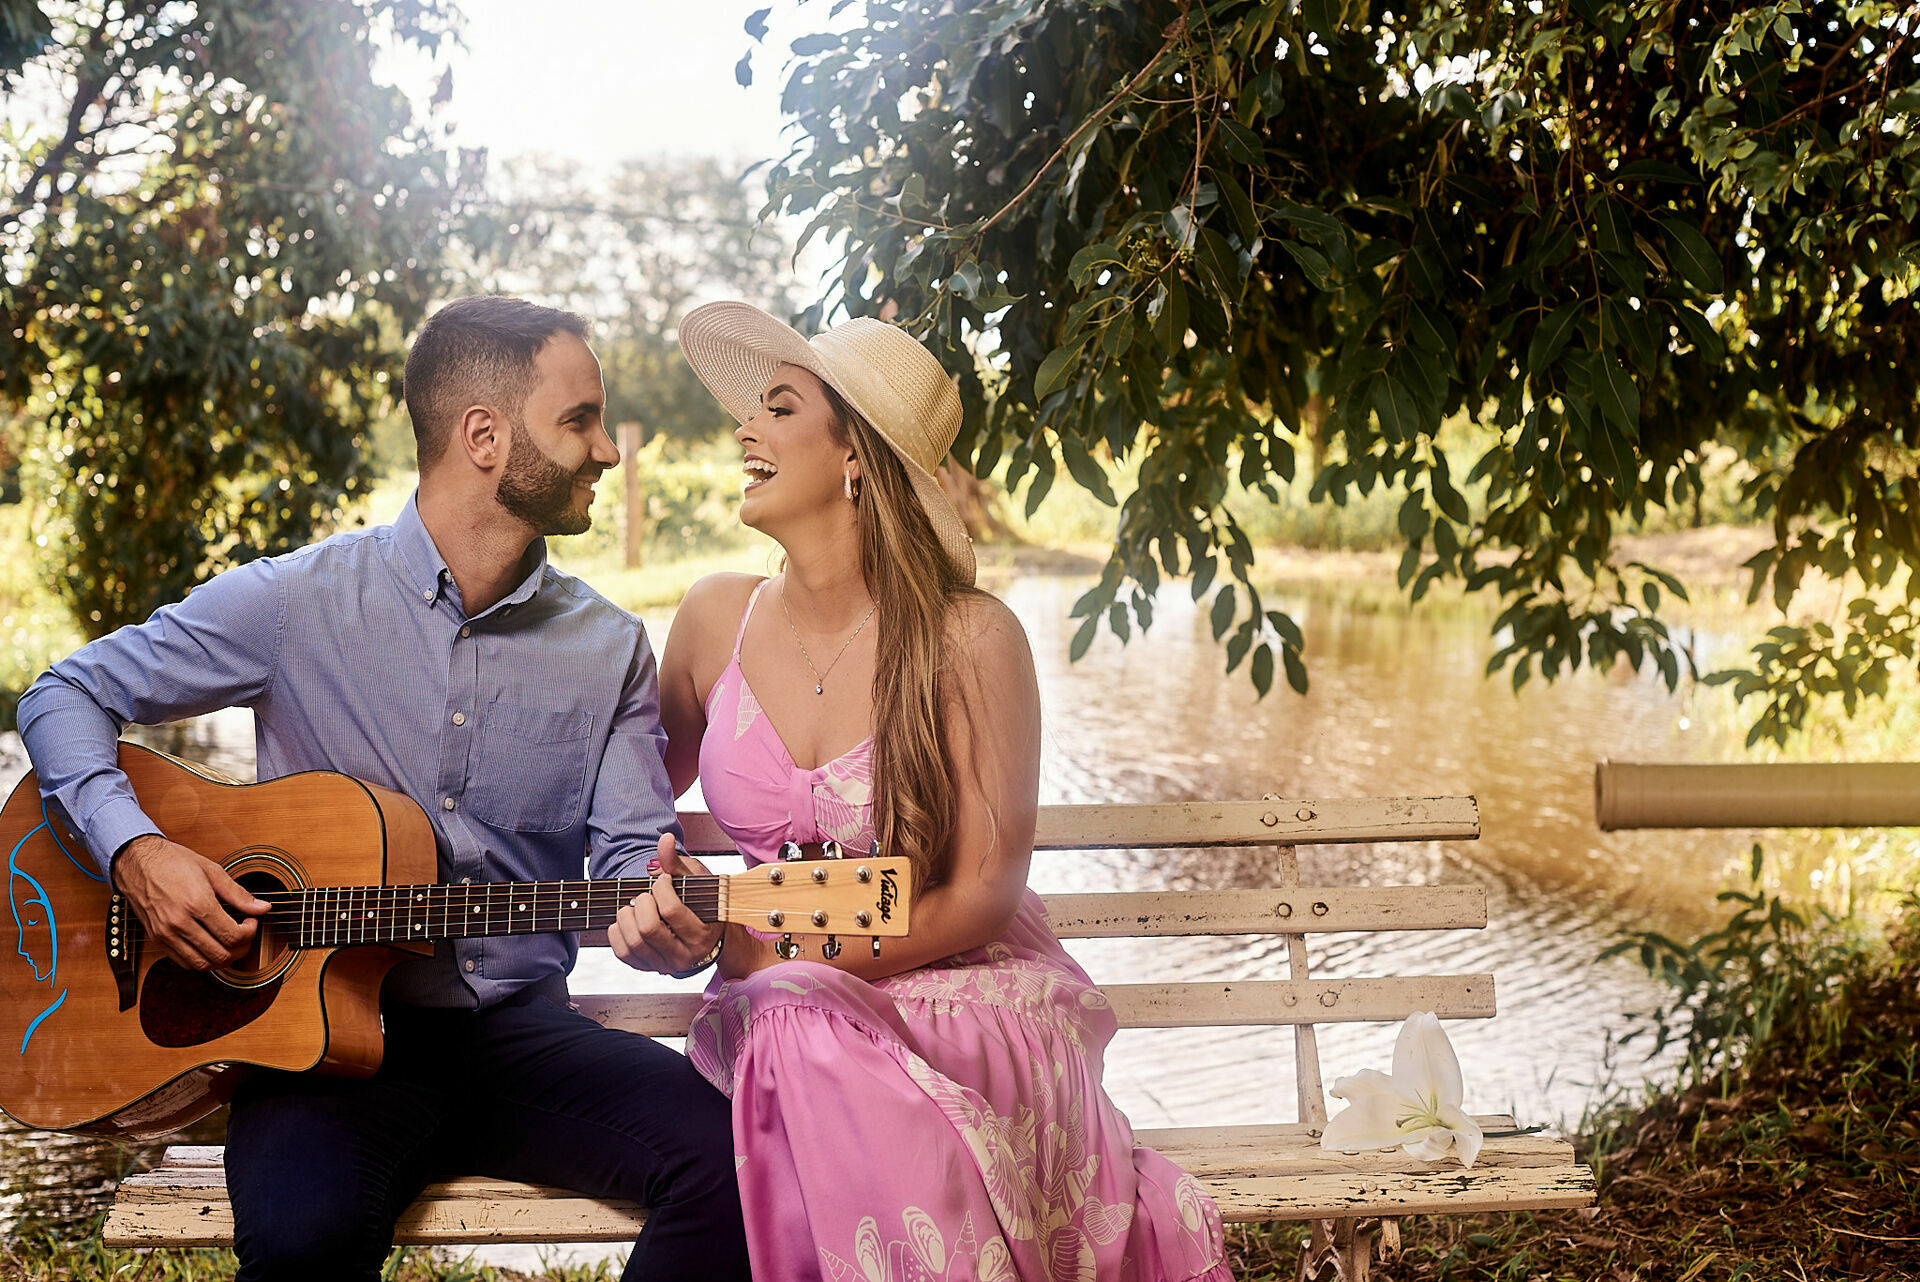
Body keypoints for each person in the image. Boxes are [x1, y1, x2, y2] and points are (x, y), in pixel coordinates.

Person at [15, 296, 750, 1282]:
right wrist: (137, 852)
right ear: (483, 436)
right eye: (580, 419)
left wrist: (671, 924)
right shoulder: (295, 603)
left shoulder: (610, 646)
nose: (608, 449)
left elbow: (630, 864)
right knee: (300, 1236)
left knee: (731, 1165)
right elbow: (65, 694)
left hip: (518, 1040)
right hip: (318, 1051)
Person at [609, 301, 1232, 1280]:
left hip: (962, 1000)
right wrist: (657, 896)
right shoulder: (711, 620)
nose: (745, 431)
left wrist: (765, 951)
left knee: (797, 1022)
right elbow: (625, 806)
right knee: (791, 1022)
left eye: (778, 409)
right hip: (773, 1008)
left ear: (856, 455)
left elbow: (981, 895)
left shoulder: (969, 639)